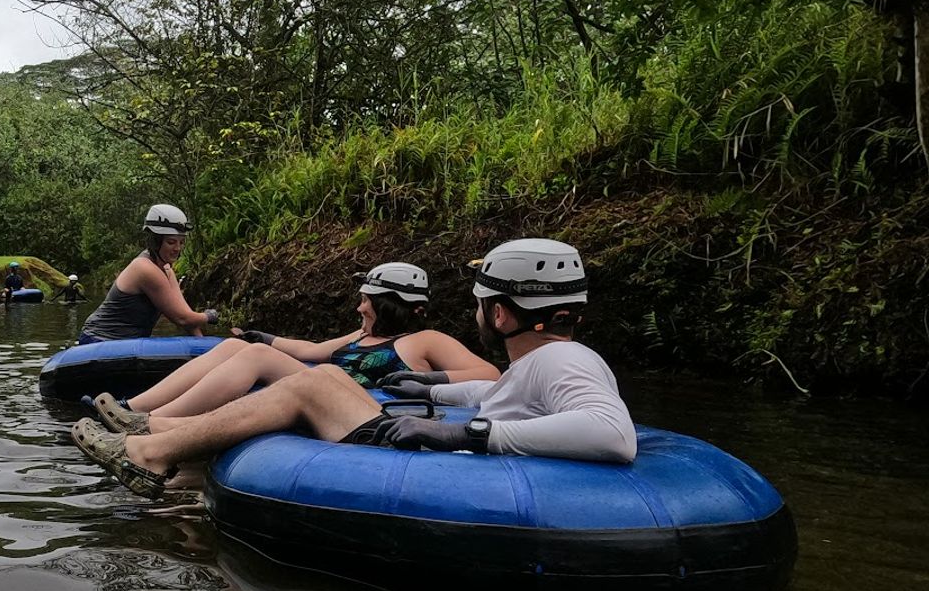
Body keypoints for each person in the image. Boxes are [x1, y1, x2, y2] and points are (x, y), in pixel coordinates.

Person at [71, 238, 636, 497]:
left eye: (482, 301)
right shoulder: (540, 361)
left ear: (504, 313)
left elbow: (613, 435)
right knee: (323, 375)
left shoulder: (564, 357)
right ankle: (156, 430)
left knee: (316, 383)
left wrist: (464, 431)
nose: (476, 310)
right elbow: (500, 397)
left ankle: (149, 451)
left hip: (451, 471)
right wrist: (441, 398)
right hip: (449, 456)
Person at [88, 262, 497, 434]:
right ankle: (133, 407)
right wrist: (260, 336)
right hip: (325, 383)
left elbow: (490, 375)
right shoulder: (359, 335)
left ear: (393, 304)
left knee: (256, 359)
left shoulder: (425, 340)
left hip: (355, 400)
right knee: (240, 349)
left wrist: (425, 379)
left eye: (368, 300)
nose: (360, 305)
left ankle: (148, 421)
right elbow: (311, 349)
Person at [80, 203, 218, 342]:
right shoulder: (145, 269)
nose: (177, 248)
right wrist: (210, 316)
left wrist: (203, 345)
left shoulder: (167, 270)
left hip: (129, 343)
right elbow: (182, 319)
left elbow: (185, 316)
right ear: (156, 242)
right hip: (99, 339)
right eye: (171, 242)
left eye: (181, 242)